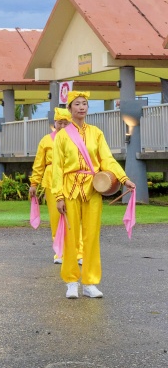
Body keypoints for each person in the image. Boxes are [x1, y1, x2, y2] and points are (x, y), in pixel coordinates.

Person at [51, 91, 135, 299]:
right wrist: (58, 196)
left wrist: (124, 179)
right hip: (70, 189)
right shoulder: (62, 136)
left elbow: (107, 159)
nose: (81, 107)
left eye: (85, 104)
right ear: (69, 109)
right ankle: (71, 281)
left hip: (92, 188)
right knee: (71, 237)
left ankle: (90, 282)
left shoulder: (96, 133)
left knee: (92, 237)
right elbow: (57, 169)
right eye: (77, 104)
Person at [29, 107, 82, 264]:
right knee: (56, 216)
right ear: (55, 123)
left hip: (71, 180)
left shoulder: (76, 138)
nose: (63, 126)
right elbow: (39, 164)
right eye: (60, 123)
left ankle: (79, 252)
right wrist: (34, 183)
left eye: (66, 123)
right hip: (51, 181)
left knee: (75, 216)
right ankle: (60, 252)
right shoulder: (46, 140)